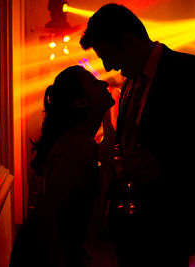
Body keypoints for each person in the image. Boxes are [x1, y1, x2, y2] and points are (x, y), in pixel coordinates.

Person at [80, 4, 195, 266]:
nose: (108, 67)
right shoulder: (130, 81)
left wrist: (163, 166)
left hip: (173, 224)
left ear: (129, 41)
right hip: (130, 225)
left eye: (107, 55)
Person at [9, 65, 115, 267]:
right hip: (43, 254)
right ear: (80, 102)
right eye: (93, 83)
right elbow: (47, 214)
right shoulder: (80, 146)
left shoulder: (78, 140)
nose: (104, 82)